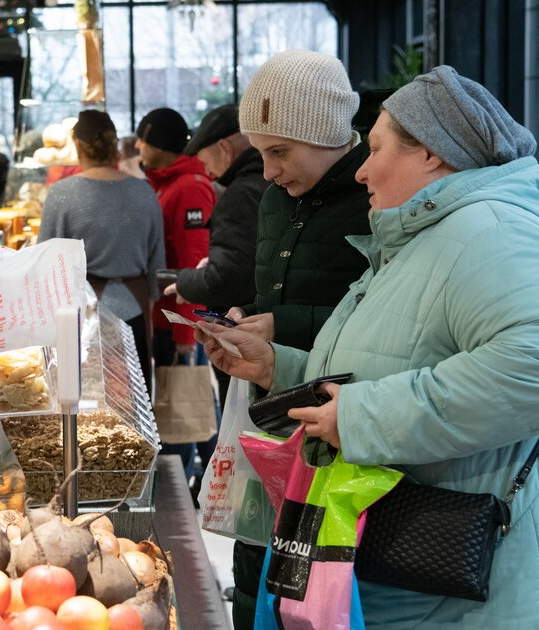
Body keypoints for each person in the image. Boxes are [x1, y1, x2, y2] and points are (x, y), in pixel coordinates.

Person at [198, 65, 539, 628]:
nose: (362, 171)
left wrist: (362, 416)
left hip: (498, 582)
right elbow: (400, 358)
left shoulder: (493, 228)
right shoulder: (430, 236)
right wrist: (281, 367)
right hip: (442, 583)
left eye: (375, 150)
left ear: (430, 153)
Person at [211, 50, 372, 629]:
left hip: (339, 425)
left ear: (327, 133)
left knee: (312, 582)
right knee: (256, 558)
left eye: (279, 151)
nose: (269, 170)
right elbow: (279, 289)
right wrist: (247, 318)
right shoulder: (277, 196)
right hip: (270, 411)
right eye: (259, 153)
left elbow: (379, 313)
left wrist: (286, 324)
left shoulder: (374, 196)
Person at [161, 103, 266, 493]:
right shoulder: (260, 184)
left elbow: (228, 275)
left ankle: (237, 494)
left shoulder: (241, 190)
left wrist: (188, 281)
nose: (204, 170)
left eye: (205, 160)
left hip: (245, 332)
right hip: (257, 327)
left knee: (245, 435)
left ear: (224, 148)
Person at [38, 110, 165, 390]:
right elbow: (158, 266)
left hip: (79, 313)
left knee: (87, 401)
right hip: (133, 306)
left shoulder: (61, 194)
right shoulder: (144, 192)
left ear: (78, 146)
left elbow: (45, 264)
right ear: (114, 146)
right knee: (134, 396)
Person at [135, 107, 216, 476]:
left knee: (182, 401)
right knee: (187, 398)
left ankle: (182, 481)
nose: (137, 146)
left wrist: (187, 330)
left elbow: (194, 262)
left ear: (160, 144)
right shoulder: (164, 183)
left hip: (178, 319)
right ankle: (206, 474)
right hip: (165, 316)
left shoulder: (188, 188)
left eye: (143, 139)